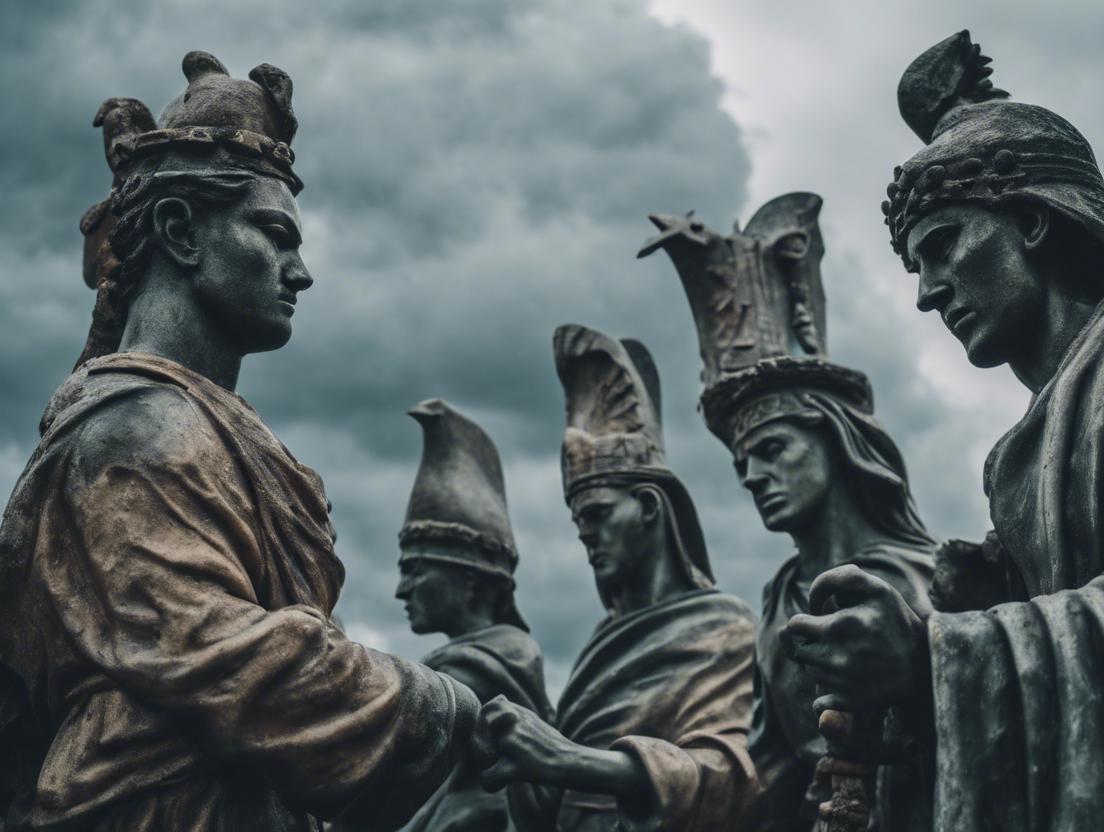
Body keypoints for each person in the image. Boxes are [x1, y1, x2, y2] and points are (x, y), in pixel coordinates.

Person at [0, 52, 478, 831]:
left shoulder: (190, 425)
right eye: (275, 234)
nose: (301, 272)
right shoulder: (134, 431)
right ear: (180, 231)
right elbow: (218, 651)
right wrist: (445, 708)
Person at [784, 30, 1104, 829]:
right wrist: (911, 701)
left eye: (943, 245)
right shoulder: (1016, 457)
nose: (926, 292)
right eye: (914, 267)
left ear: (1032, 222)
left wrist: (937, 657)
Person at [641, 192, 936, 830]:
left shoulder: (922, 581)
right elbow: (767, 771)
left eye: (773, 450)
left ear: (835, 441)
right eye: (741, 461)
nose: (752, 475)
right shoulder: (781, 599)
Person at [477, 325, 758, 832]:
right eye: (578, 521)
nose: (585, 535)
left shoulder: (725, 631)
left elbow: (728, 776)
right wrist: (515, 755)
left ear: (649, 506)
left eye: (598, 514)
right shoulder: (601, 641)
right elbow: (555, 795)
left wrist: (566, 759)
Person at [395, 399, 554, 832]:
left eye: (415, 570)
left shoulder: (469, 671)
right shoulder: (497, 657)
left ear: (468, 579)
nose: (402, 590)